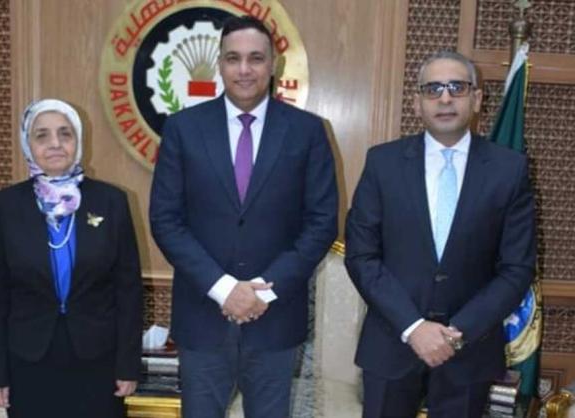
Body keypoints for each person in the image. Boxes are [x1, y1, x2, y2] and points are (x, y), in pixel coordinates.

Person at [150, 15, 338, 418]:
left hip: (275, 319)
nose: (244, 69)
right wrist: (224, 289)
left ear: (274, 64)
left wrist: (261, 293)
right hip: (203, 318)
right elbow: (166, 220)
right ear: (220, 64)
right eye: (233, 58)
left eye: (256, 58)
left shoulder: (307, 131)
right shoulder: (183, 129)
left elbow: (321, 223)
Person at [345, 51, 536, 418]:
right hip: (392, 343)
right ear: (417, 103)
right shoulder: (382, 163)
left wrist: (459, 331)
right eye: (433, 89)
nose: (445, 98)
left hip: (470, 349)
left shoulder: (509, 170)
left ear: (476, 99)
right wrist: (413, 327)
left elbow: (517, 267)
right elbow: (361, 255)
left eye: (457, 87)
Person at [0, 99, 143, 418]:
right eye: (42, 135)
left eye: (65, 134)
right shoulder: (6, 205)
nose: (55, 143)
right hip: (28, 359)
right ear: (28, 144)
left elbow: (128, 291)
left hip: (98, 359)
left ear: (78, 141)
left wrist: (128, 365)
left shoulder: (111, 201)